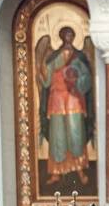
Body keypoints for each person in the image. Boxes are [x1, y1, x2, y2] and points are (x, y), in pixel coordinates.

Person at [36, 26, 95, 186]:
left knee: (76, 134)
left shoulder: (79, 56)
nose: (69, 37)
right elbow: (47, 81)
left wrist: (77, 81)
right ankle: (56, 172)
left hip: (74, 98)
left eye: (71, 34)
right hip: (56, 99)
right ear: (61, 36)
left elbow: (87, 78)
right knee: (58, 134)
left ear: (74, 36)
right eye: (66, 34)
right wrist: (40, 74)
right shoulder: (54, 57)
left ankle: (79, 170)